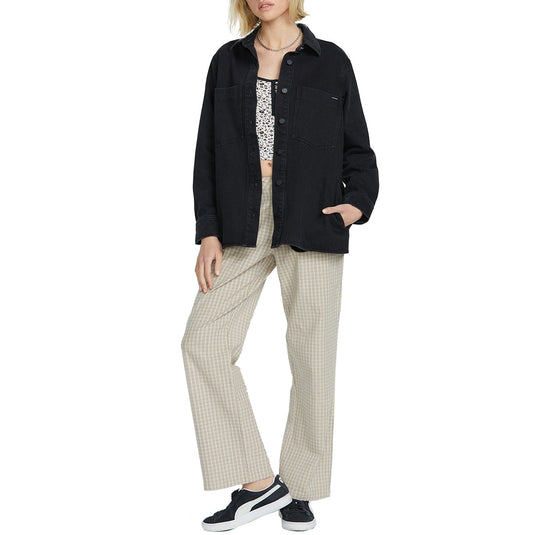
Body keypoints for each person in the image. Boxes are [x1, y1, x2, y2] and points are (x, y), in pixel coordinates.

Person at [181, 0, 379, 531]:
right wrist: (208, 229)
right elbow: (206, 151)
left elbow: (358, 147)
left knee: (312, 356)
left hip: (314, 216)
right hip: (240, 217)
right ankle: (257, 481)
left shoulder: (331, 61)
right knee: (202, 342)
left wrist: (356, 204)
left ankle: (302, 489)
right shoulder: (227, 60)